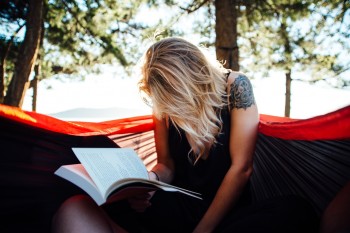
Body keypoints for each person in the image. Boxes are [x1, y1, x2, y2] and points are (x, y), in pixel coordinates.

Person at [52, 37, 318, 233]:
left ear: (192, 81)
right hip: (178, 203)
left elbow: (241, 169)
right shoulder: (163, 100)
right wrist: (149, 183)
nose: (167, 108)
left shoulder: (236, 86)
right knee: (75, 207)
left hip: (226, 211)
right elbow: (166, 165)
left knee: (295, 210)